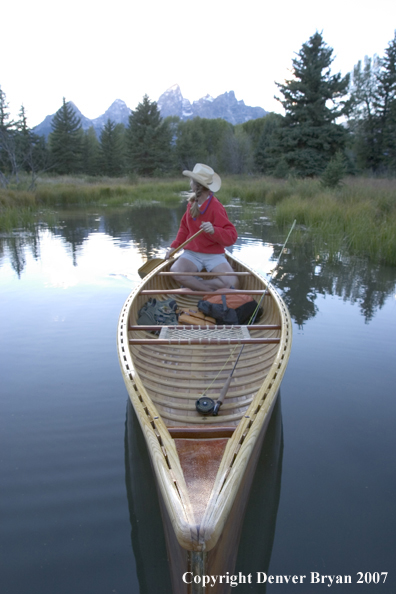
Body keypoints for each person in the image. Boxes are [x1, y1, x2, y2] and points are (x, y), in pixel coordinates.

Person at [165, 163, 239, 291]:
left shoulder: (216, 207)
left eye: (191, 181)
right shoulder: (191, 204)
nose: (190, 183)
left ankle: (195, 285)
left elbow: (231, 236)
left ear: (195, 185)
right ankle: (209, 292)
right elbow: (184, 228)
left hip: (213, 255)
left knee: (234, 283)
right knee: (175, 271)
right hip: (192, 254)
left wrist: (214, 230)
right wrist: (174, 247)